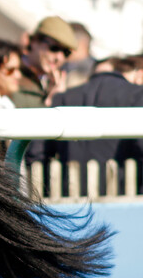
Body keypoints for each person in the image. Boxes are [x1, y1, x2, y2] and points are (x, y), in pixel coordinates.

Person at [48, 56, 143, 196]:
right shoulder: (137, 94)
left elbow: (38, 153)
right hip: (123, 194)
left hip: (70, 196)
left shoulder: (63, 97)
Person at [11, 16, 77, 108]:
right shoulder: (10, 72)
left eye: (66, 52)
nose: (59, 57)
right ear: (34, 41)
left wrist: (54, 99)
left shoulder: (50, 84)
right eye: (54, 48)